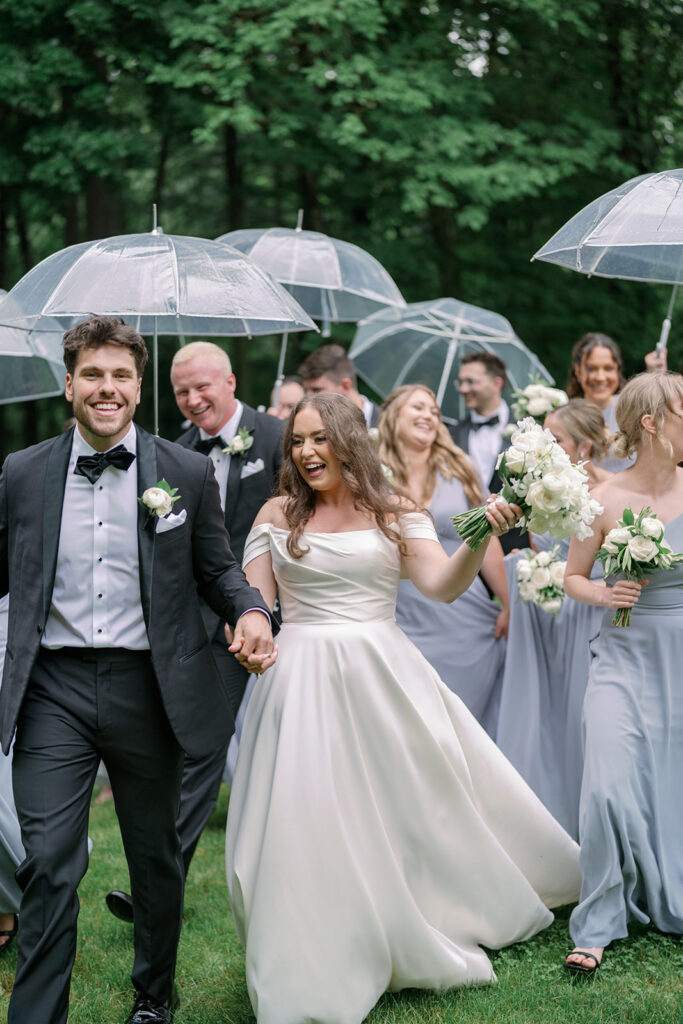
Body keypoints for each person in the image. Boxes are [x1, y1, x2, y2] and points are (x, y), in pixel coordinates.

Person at [226, 391, 581, 1024]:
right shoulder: (278, 513)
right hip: (298, 679)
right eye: (297, 442)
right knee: (304, 813)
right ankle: (311, 947)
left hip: (382, 674)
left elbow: (441, 587)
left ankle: (403, 918)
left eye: (320, 438)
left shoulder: (394, 512)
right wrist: (251, 628)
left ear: (349, 441)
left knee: (399, 807)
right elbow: (254, 598)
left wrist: (481, 536)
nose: (307, 452)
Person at [0, 316, 277, 1024]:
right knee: (48, 860)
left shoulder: (183, 471)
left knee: (155, 859)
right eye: (93, 374)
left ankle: (153, 997)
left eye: (121, 375)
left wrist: (251, 610)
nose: (107, 387)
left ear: (138, 385)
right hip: (51, 690)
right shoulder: (23, 473)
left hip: (152, 688)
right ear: (69, 385)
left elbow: (217, 568)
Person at [106, 341, 285, 925]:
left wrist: (264, 600)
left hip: (284, 615)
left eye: (202, 386)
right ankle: (159, 889)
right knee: (197, 746)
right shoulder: (174, 453)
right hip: (205, 626)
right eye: (181, 391)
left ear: (230, 382)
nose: (192, 399)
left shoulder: (280, 438)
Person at [563, 371, 683, 975]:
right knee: (607, 784)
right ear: (653, 423)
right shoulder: (604, 499)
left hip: (679, 653)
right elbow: (573, 577)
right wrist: (605, 594)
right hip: (621, 654)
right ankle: (599, 921)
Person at [496, 399, 612, 837]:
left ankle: (594, 825)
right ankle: (550, 825)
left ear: (584, 446)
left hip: (592, 619)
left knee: (586, 717)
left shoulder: (613, 492)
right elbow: (537, 548)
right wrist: (527, 567)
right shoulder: (535, 488)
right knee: (549, 720)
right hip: (545, 617)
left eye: (555, 438)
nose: (545, 446)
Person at [378, 384, 509, 736]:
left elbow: (485, 539)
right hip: (399, 610)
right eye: (418, 407)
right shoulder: (371, 472)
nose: (429, 415)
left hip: (461, 609)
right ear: (392, 415)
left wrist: (507, 602)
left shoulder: (460, 466)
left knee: (456, 721)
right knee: (404, 719)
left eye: (434, 411)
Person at [450, 352, 525, 553]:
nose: (463, 389)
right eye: (461, 382)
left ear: (496, 384)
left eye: (471, 382)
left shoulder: (527, 430)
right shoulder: (451, 435)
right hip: (463, 547)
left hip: (514, 546)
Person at [298, 342, 380, 426]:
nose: (307, 397)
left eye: (317, 390)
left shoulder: (384, 423)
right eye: (306, 390)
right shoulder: (310, 425)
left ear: (345, 386)